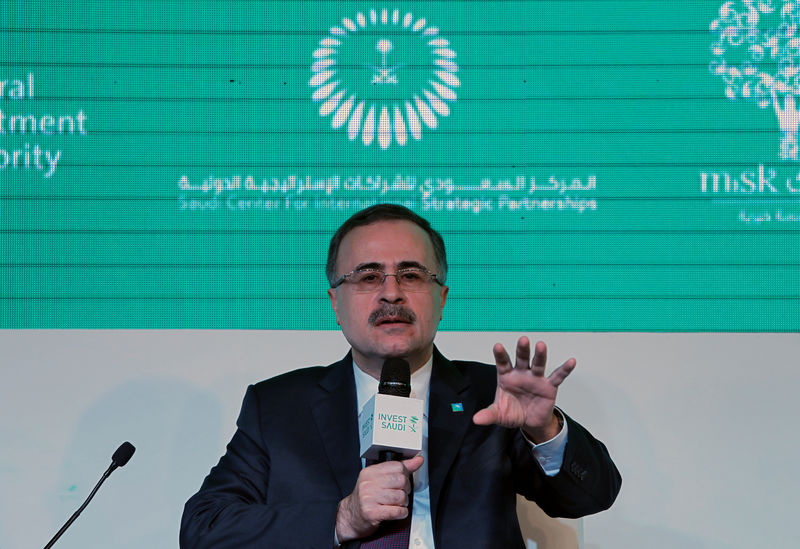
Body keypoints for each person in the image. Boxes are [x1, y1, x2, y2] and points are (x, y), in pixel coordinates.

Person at [180, 204, 621, 548]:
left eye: (411, 274)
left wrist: (543, 429)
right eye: (368, 276)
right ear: (335, 303)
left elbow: (592, 497)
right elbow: (204, 528)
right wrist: (342, 517)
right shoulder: (278, 406)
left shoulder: (494, 396)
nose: (391, 292)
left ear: (442, 298)